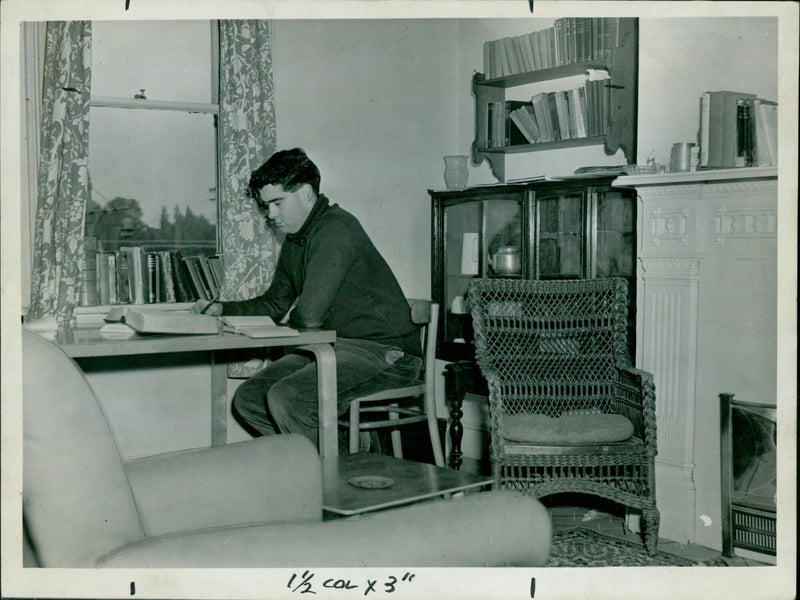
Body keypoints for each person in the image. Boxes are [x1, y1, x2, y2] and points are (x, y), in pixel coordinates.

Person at [192, 148, 421, 450]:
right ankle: (336, 460)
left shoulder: (336, 229)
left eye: (277, 203)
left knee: (288, 398)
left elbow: (310, 317)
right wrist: (222, 308)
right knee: (250, 399)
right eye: (266, 205)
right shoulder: (297, 239)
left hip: (387, 353)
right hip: (337, 347)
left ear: (306, 194)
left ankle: (334, 480)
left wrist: (278, 334)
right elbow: (274, 305)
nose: (271, 215)